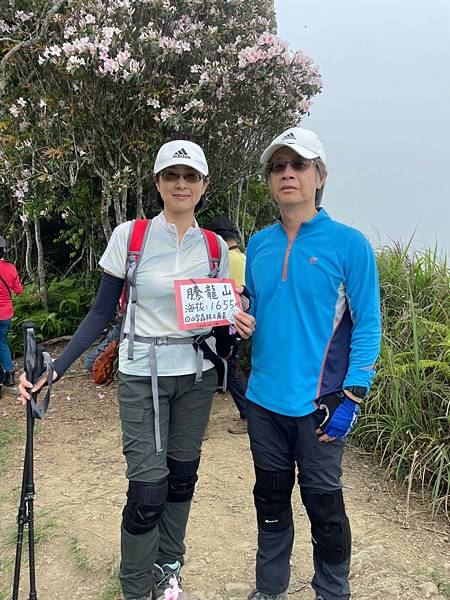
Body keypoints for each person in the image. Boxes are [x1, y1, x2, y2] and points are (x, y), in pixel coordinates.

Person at [18, 140, 256, 600]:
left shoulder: (214, 247)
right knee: (148, 489)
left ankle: (169, 568)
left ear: (205, 185)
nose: (181, 184)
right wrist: (56, 368)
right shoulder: (132, 236)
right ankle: (134, 587)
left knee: (183, 478)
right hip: (140, 373)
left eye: (191, 176)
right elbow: (100, 311)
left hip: (197, 376)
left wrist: (240, 321)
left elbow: (221, 325)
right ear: (158, 183)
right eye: (172, 175)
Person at [244, 127, 381, 600]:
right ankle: (269, 588)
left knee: (324, 507)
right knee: (271, 503)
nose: (287, 174)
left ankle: (331, 591)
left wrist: (354, 394)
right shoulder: (259, 245)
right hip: (263, 401)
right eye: (278, 167)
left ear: (319, 175)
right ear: (269, 180)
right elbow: (259, 309)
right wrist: (243, 322)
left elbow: (367, 325)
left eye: (298, 165)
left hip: (321, 405)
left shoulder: (350, 244)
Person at [207, 216, 248, 434]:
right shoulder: (242, 257)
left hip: (225, 327)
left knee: (227, 370)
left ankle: (247, 416)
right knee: (229, 370)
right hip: (240, 325)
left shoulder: (224, 259)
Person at [0, 235, 23, 386]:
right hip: (6, 314)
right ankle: (9, 375)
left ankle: (4, 375)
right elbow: (19, 290)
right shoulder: (11, 268)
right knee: (2, 342)